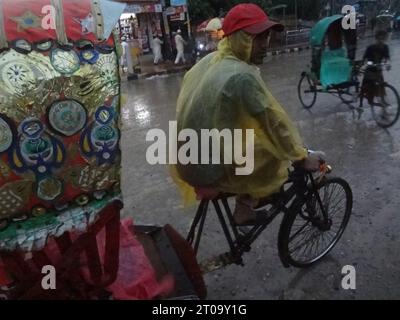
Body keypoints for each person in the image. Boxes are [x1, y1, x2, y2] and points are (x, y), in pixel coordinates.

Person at [171, 4, 322, 226]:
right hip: (207, 168)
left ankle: (247, 203)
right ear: (238, 38)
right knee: (274, 152)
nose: (264, 45)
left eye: (266, 37)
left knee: (255, 145)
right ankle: (245, 207)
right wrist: (300, 157)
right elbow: (273, 123)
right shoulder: (241, 76)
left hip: (187, 158)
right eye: (256, 38)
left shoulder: (210, 61)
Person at [361, 30, 391, 104]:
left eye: (383, 39)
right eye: (379, 39)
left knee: (381, 88)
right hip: (370, 71)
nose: (381, 41)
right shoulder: (370, 48)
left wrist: (387, 64)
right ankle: (361, 104)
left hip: (378, 70)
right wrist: (368, 64)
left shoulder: (385, 47)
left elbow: (387, 58)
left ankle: (383, 106)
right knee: (366, 90)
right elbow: (364, 59)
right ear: (376, 39)